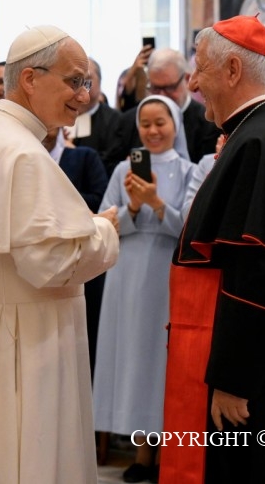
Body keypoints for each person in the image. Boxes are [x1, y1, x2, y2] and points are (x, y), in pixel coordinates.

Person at [0, 25, 120, 483]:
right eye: (75, 81)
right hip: (23, 336)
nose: (84, 95)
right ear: (30, 79)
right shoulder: (22, 152)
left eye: (87, 82)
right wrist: (102, 230)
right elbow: (50, 264)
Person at [160, 15, 265, 484]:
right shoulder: (260, 132)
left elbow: (257, 272)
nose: (193, 82)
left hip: (250, 364)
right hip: (252, 350)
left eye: (200, 68)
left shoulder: (260, 141)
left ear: (233, 69)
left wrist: (233, 380)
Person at [93, 95, 196, 483]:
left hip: (166, 274)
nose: (152, 131)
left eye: (160, 123)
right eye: (145, 124)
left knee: (160, 360)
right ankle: (140, 453)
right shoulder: (124, 168)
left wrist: (155, 204)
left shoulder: (188, 171)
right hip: (127, 273)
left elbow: (188, 229)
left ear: (176, 125)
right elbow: (104, 220)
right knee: (132, 356)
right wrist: (133, 209)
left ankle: (166, 453)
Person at [41, 125, 109, 378]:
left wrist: (52, 198)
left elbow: (98, 198)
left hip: (80, 256)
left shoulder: (83, 157)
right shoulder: (21, 160)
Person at [112, 48, 219, 165]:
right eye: (155, 88)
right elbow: (111, 165)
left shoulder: (209, 124)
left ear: (187, 79)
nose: (162, 95)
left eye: (169, 88)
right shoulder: (129, 121)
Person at [67, 57, 123, 177]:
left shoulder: (115, 120)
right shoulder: (58, 116)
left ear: (100, 82)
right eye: (75, 80)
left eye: (87, 79)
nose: (81, 86)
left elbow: (111, 162)